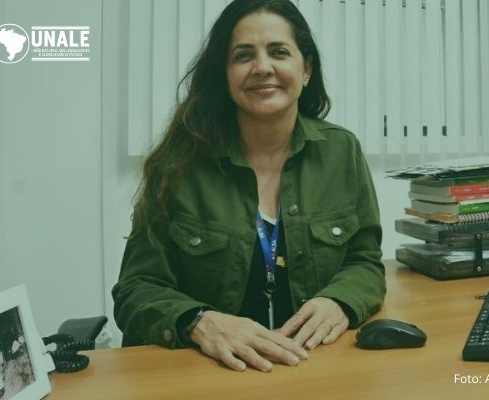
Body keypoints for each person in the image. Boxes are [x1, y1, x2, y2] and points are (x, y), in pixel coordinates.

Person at [112, 0, 386, 372]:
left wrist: (339, 301)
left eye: (279, 52)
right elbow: (136, 287)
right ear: (224, 75)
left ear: (306, 69)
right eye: (243, 56)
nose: (262, 68)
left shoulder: (342, 151)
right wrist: (200, 322)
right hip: (209, 373)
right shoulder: (178, 164)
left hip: (314, 368)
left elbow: (364, 261)